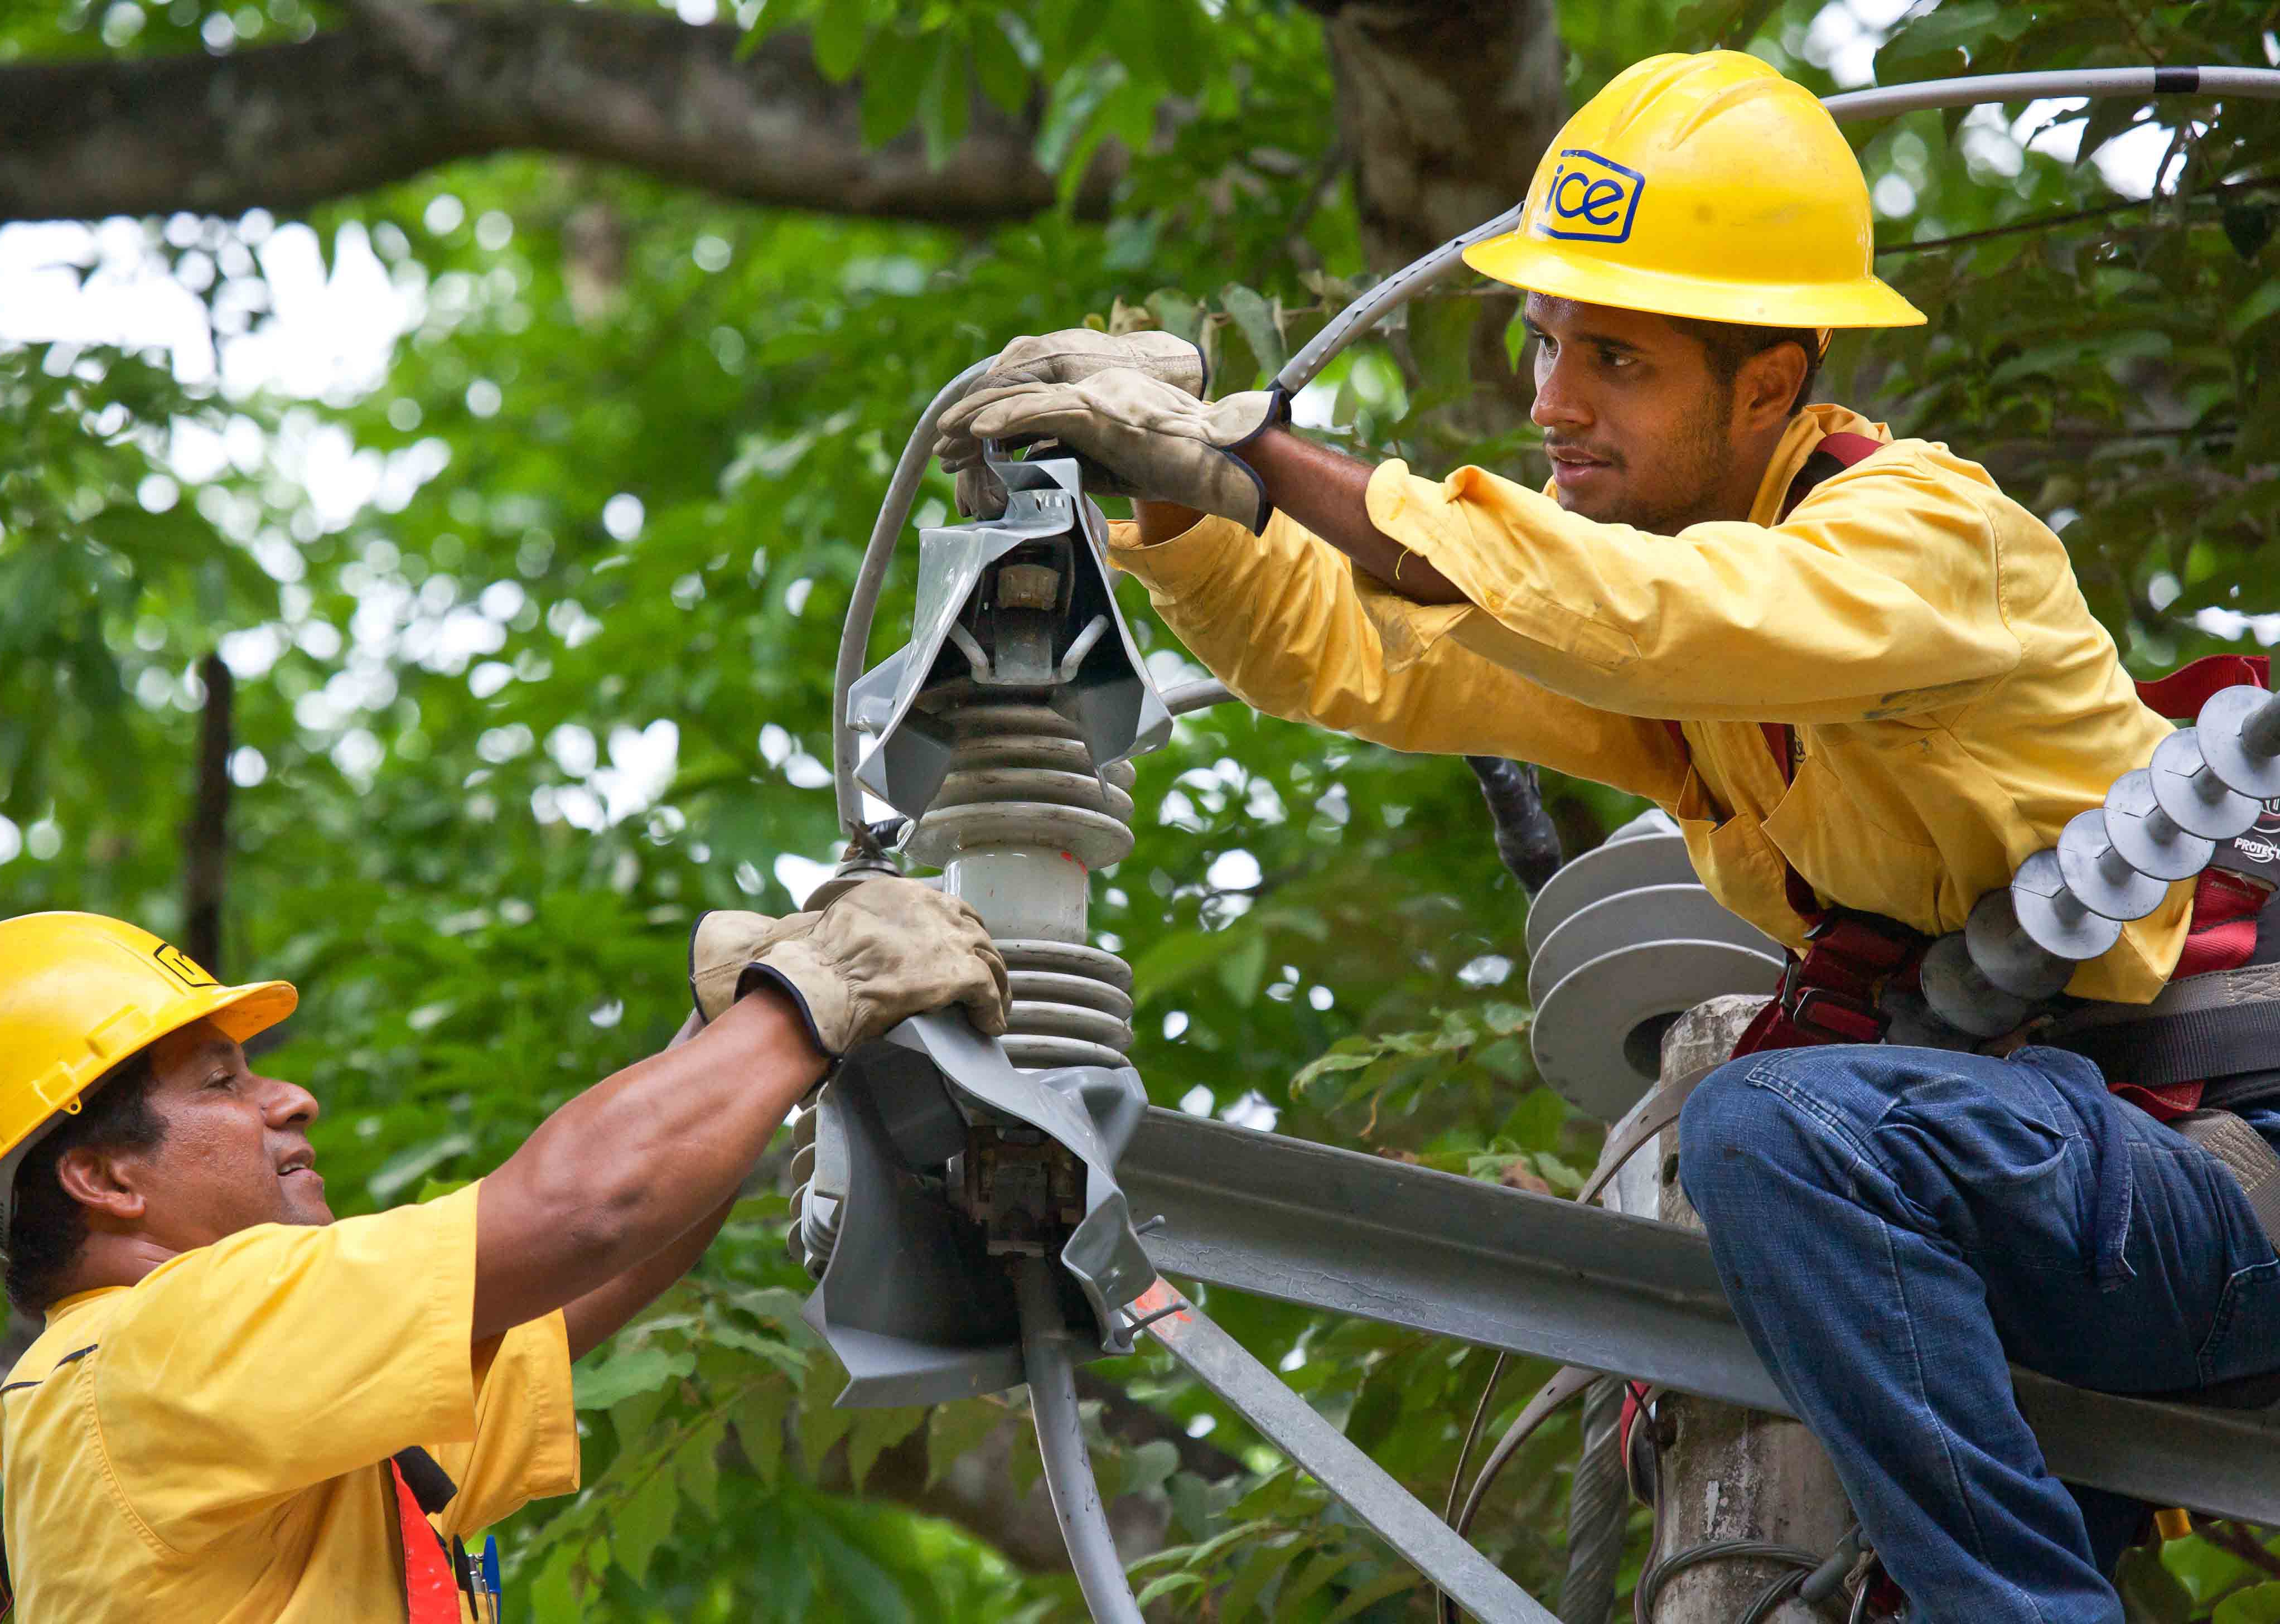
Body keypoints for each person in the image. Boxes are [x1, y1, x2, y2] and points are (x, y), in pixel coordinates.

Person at [939, 49, 2280, 1623]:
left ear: (1771, 382)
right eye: (1546, 339)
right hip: (2067, 1183)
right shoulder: (1699, 649)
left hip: (2225, 1185)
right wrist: (1172, 507)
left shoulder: (1925, 543)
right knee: (1788, 1171)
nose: (1553, 403)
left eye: (1617, 362)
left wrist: (1269, 461)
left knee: (1777, 1127)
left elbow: (1642, 613)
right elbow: (1381, 655)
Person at [0, 880, 1006, 1621]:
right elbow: (578, 1213)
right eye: (223, 1081)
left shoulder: (269, 1407)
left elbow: (595, 1263)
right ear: (101, 1176)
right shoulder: (158, 1349)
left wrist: (723, 1042)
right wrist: (818, 993)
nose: (290, 1098)